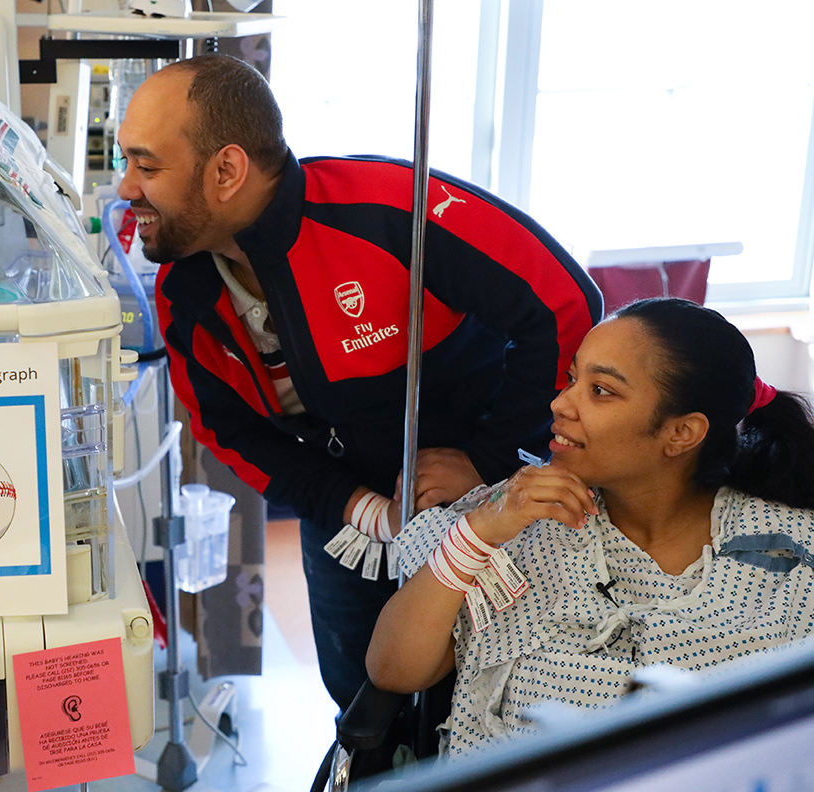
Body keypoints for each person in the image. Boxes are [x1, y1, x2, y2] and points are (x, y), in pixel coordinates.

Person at [115, 53, 603, 714]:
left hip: (481, 497)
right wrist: (347, 504)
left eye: (147, 166)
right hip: (342, 512)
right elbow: (228, 432)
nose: (126, 187)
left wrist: (488, 459)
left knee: (487, 696)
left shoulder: (386, 213)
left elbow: (561, 302)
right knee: (364, 699)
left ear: (226, 170)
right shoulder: (187, 294)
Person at [367, 297, 814, 756]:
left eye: (601, 390)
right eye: (571, 379)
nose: (560, 403)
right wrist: (477, 533)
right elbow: (392, 670)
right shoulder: (514, 524)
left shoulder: (791, 553)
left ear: (681, 433)